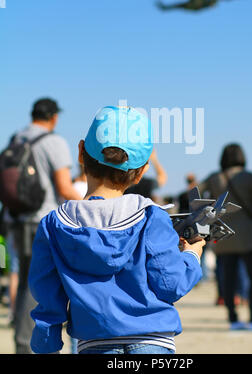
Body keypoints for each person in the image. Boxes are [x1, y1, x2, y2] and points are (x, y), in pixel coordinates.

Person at [28, 105, 205, 354]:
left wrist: (45, 344)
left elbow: (47, 295)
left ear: (81, 153)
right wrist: (192, 255)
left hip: (94, 343)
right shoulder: (151, 217)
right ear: (141, 172)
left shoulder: (54, 224)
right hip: (153, 342)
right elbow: (171, 284)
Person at [11, 98, 82, 353]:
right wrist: (91, 203)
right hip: (42, 221)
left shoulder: (16, 138)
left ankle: (21, 344)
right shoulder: (53, 141)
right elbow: (64, 188)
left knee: (23, 285)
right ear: (54, 117)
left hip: (16, 219)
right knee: (42, 285)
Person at [198, 143, 252, 331]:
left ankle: (233, 318)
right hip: (248, 235)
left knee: (228, 278)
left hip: (223, 236)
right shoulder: (250, 178)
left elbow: (197, 196)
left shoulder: (214, 178)